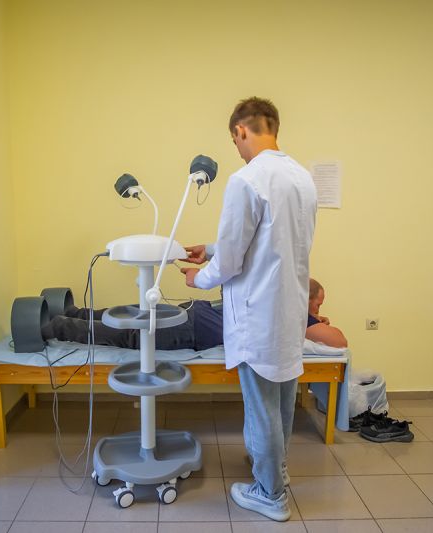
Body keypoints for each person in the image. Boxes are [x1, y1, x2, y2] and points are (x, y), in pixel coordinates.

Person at [180, 97, 317, 521]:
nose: (237, 150)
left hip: (257, 315)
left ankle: (269, 494)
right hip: (288, 312)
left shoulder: (246, 180)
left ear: (241, 130)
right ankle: (276, 471)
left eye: (234, 140)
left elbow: (231, 263)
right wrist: (212, 248)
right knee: (281, 403)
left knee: (261, 410)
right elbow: (271, 241)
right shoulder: (302, 178)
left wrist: (199, 277)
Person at [42, 277, 346, 351]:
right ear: (306, 301)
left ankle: (75, 313)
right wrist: (312, 320)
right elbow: (339, 342)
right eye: (318, 304)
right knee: (133, 334)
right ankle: (58, 326)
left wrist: (314, 319)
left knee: (137, 314)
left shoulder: (275, 302)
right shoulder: (296, 314)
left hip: (195, 311)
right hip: (195, 328)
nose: (319, 311)